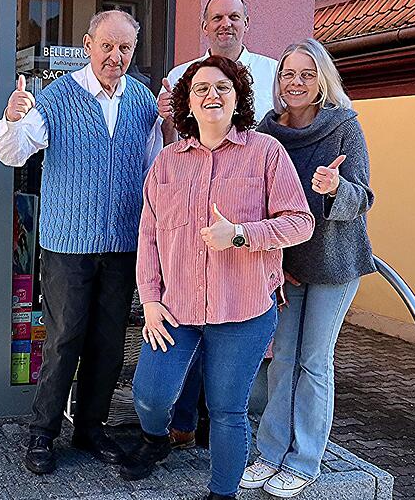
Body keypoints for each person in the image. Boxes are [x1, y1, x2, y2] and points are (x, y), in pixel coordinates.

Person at [121, 55, 314, 500]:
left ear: (237, 98)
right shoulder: (167, 163)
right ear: (187, 102)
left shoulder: (266, 153)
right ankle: (157, 438)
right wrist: (150, 300)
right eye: (201, 88)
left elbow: (300, 221)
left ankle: (222, 493)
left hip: (242, 309)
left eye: (223, 87)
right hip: (175, 309)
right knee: (150, 395)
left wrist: (242, 235)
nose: (212, 95)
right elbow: (147, 236)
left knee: (227, 409)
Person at [0, 10, 159, 474]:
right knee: (64, 339)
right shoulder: (59, 96)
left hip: (122, 244)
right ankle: (42, 433)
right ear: (88, 45)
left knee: (108, 343)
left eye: (125, 47)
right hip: (68, 243)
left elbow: (155, 171)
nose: (115, 56)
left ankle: (90, 427)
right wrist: (11, 120)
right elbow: (13, 151)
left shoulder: (144, 103)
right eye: (107, 45)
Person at [242, 39, 376, 498]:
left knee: (314, 362)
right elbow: (259, 199)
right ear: (278, 82)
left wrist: (336, 187)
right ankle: (271, 453)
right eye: (287, 74)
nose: (295, 82)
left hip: (335, 264)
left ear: (322, 79)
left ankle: (304, 460)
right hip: (288, 265)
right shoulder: (268, 131)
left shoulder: (344, 126)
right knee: (282, 359)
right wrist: (275, 261)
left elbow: (365, 197)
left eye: (306, 73)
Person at [160, 0, 278, 450]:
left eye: (234, 17)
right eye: (216, 18)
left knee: (233, 331)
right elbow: (169, 147)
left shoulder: (271, 73)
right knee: (192, 325)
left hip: (250, 232)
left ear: (247, 22)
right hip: (193, 225)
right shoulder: (178, 77)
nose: (225, 24)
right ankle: (183, 421)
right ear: (203, 25)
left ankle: (223, 426)